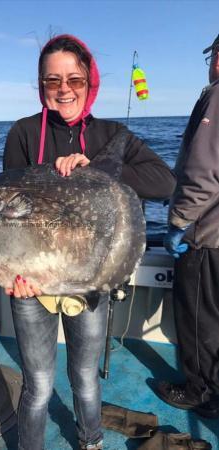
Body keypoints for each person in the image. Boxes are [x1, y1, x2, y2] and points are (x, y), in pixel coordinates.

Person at [3, 34, 176, 450]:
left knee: (83, 378)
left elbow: (165, 182)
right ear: (41, 84)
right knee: (39, 385)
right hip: (34, 282)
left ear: (89, 81)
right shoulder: (24, 133)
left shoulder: (112, 135)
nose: (64, 89)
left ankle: (91, 440)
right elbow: (8, 211)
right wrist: (13, 273)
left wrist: (101, 171)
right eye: (52, 81)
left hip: (91, 278)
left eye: (74, 79)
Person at [156, 34, 219, 419]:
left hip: (208, 239)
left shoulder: (216, 97)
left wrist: (179, 222)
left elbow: (202, 175)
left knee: (199, 318)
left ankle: (201, 391)